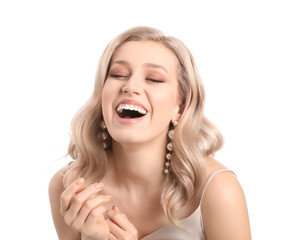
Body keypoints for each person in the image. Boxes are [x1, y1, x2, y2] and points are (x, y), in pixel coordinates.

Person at [49, 26, 251, 240]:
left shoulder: (218, 190)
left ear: (180, 107)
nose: (130, 86)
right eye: (118, 74)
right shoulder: (68, 187)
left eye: (154, 79)